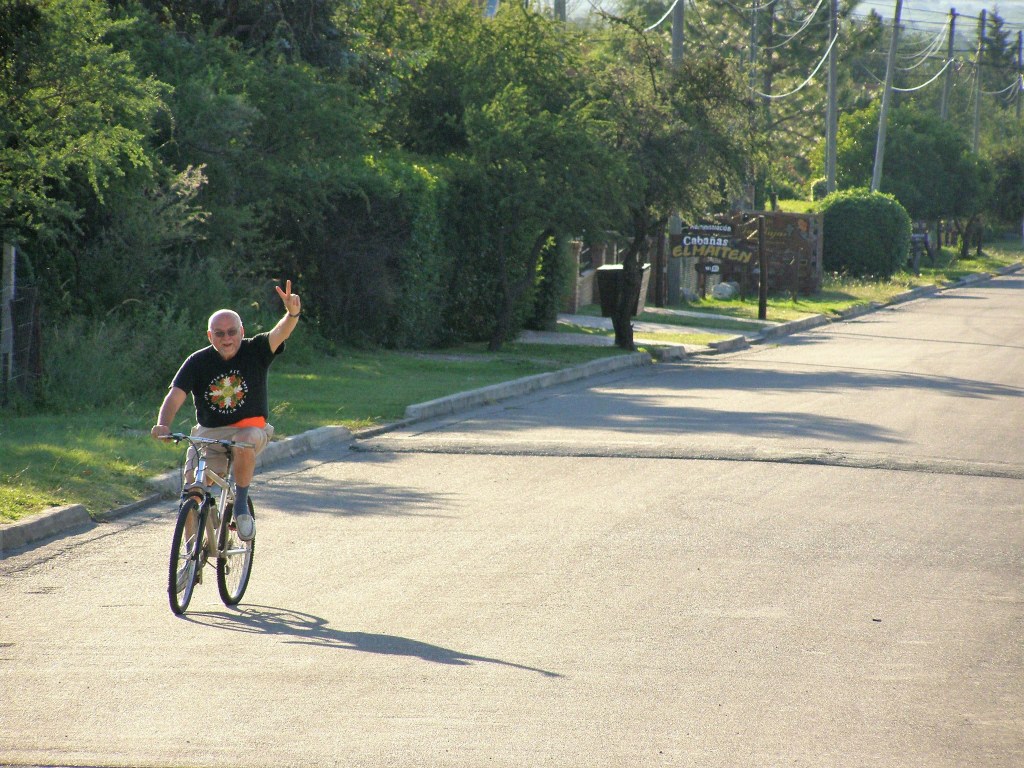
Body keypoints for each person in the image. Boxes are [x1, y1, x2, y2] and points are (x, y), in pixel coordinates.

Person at [151, 280, 301, 541]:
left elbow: (281, 332)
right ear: (210, 336)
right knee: (192, 492)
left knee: (243, 442)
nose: (227, 338)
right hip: (209, 434)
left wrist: (292, 313)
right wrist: (163, 424)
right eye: (219, 334)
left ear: (241, 331)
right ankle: (190, 557)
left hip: (251, 429)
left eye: (232, 332)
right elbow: (175, 395)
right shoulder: (198, 361)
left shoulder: (256, 350)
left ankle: (240, 506)